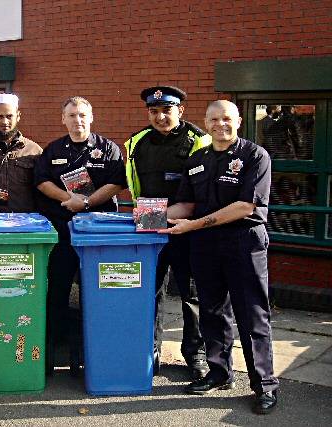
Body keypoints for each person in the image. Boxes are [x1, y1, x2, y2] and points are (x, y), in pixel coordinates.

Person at [161, 100, 279, 415]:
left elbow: (245, 206)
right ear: (206, 122)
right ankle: (219, 372)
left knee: (251, 315)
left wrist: (194, 225)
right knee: (211, 311)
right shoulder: (197, 159)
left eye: (226, 118)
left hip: (244, 243)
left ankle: (264, 385)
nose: (220, 124)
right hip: (205, 246)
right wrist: (146, 217)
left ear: (238, 120)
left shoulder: (255, 156)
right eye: (214, 119)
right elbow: (184, 205)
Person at [124, 86, 211, 379]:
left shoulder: (200, 141)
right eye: (154, 111)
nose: (160, 116)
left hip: (189, 230)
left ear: (180, 111)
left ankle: (195, 354)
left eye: (167, 110)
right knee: (150, 292)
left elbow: (204, 193)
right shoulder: (137, 142)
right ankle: (150, 351)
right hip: (150, 231)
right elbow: (136, 188)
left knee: (191, 295)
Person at [35, 96, 127, 372]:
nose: (77, 120)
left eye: (82, 115)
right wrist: (69, 198)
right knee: (59, 285)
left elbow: (116, 183)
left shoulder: (108, 148)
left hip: (98, 231)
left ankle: (95, 339)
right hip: (63, 229)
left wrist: (85, 202)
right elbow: (41, 181)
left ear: (91, 117)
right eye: (72, 115)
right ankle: (57, 339)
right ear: (63, 119)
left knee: (97, 287)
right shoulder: (53, 149)